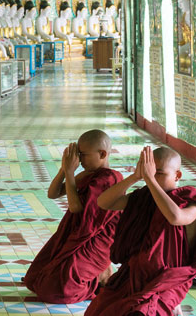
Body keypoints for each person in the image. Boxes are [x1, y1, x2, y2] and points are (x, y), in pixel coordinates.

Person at [84, 146, 196, 316]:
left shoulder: (192, 202)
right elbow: (105, 202)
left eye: (159, 173)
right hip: (135, 272)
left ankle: (172, 303)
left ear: (178, 175)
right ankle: (170, 305)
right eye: (150, 171)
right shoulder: (144, 197)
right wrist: (135, 177)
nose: (153, 178)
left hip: (168, 277)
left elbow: (175, 217)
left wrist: (149, 180)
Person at [22, 130, 122, 303]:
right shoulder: (87, 174)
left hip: (95, 238)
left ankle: (97, 280)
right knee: (34, 278)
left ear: (102, 154)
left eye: (82, 155)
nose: (79, 160)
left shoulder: (110, 178)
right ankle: (99, 274)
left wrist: (69, 172)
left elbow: (76, 208)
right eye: (78, 155)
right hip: (75, 234)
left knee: (56, 291)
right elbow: (52, 194)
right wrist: (64, 169)